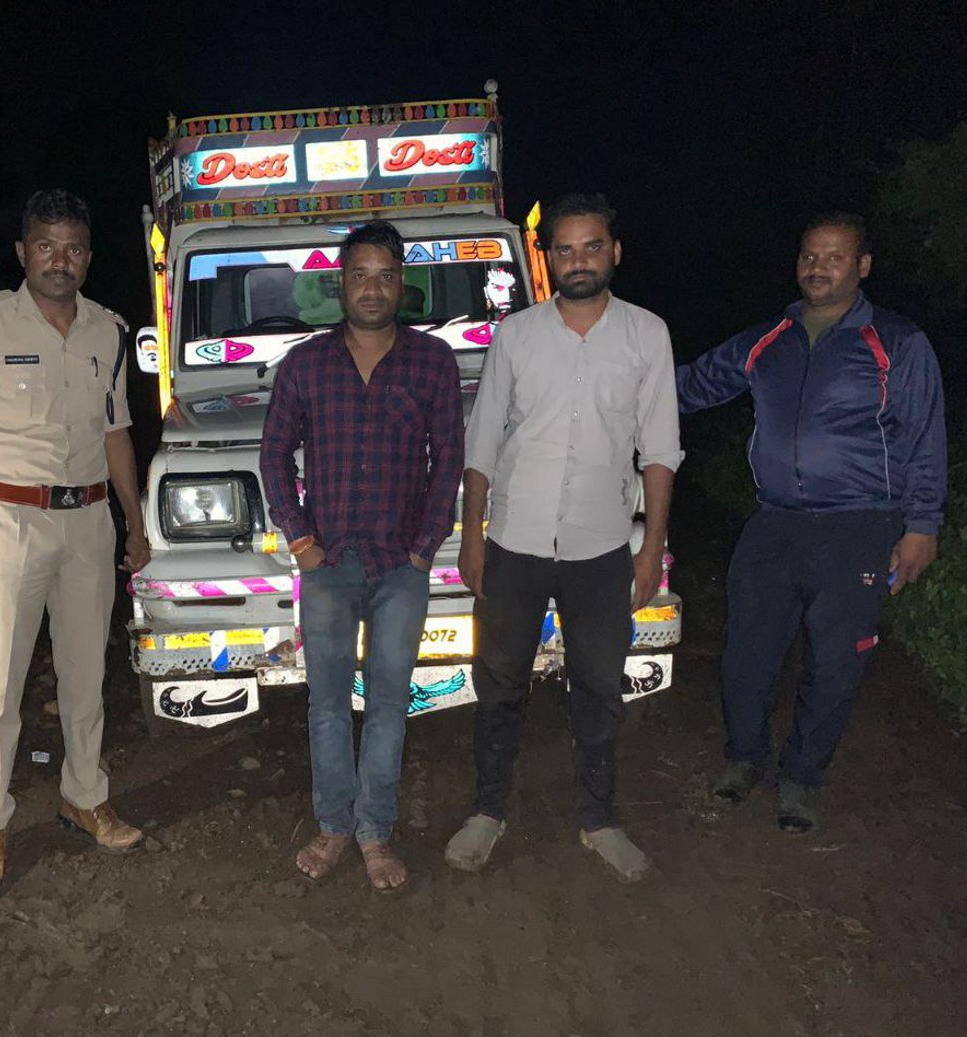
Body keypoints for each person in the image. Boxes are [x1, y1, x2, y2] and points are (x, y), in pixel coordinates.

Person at [677, 213, 945, 833]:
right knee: (747, 652)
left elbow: (925, 438)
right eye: (808, 256)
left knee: (835, 662)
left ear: (862, 266)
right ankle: (744, 760)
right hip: (774, 525)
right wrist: (613, 379)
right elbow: (692, 386)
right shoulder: (768, 337)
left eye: (833, 257)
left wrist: (921, 525)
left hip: (860, 525)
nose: (817, 268)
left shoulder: (898, 342)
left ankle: (802, 777)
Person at [445, 193, 682, 882]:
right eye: (565, 249)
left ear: (614, 252)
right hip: (513, 545)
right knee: (498, 684)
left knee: (600, 688)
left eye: (591, 246)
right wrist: (471, 536)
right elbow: (483, 441)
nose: (578, 260)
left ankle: (599, 820)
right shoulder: (517, 336)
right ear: (548, 260)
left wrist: (650, 548)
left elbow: (660, 450)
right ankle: (487, 812)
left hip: (601, 548)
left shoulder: (647, 335)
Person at [0, 189, 150, 898]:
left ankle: (84, 795)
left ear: (89, 255)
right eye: (47, 246)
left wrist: (134, 521)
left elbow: (117, 434)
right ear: (23, 251)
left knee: (87, 676)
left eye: (75, 248)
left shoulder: (108, 330)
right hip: (9, 523)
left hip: (89, 522)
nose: (61, 261)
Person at [261, 220, 463, 892]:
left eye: (384, 275)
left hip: (399, 566)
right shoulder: (306, 365)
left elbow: (450, 461)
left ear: (401, 283)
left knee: (386, 701)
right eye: (358, 275)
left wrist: (425, 544)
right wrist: (299, 538)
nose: (371, 288)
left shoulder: (432, 362)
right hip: (328, 564)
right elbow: (273, 454)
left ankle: (375, 830)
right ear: (339, 284)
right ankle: (333, 826)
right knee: (325, 703)